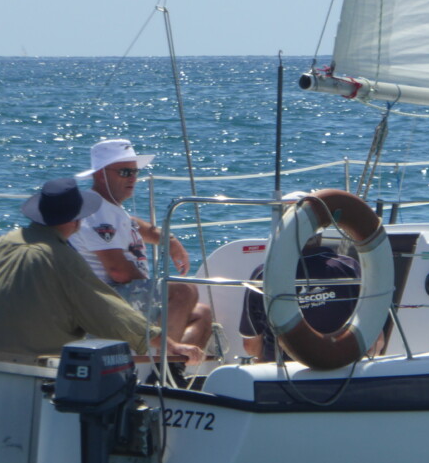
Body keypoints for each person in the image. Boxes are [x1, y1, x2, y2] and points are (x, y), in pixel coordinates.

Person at [0, 177, 204, 365]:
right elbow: (111, 312)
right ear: (77, 221)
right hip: (31, 368)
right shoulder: (60, 258)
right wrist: (170, 346)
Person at [70, 139, 213, 354]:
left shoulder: (110, 208)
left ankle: (169, 372)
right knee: (183, 291)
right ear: (101, 174)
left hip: (122, 295)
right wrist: (152, 290)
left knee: (202, 313)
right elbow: (118, 272)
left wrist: (169, 240)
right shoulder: (96, 209)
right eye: (125, 172)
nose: (133, 179)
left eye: (135, 172)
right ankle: (162, 363)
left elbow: (132, 225)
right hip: (104, 299)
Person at [239, 234, 362, 363]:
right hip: (342, 366)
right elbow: (375, 336)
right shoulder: (348, 267)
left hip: (282, 371)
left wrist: (262, 363)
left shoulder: (264, 274)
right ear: (319, 235)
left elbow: (251, 346)